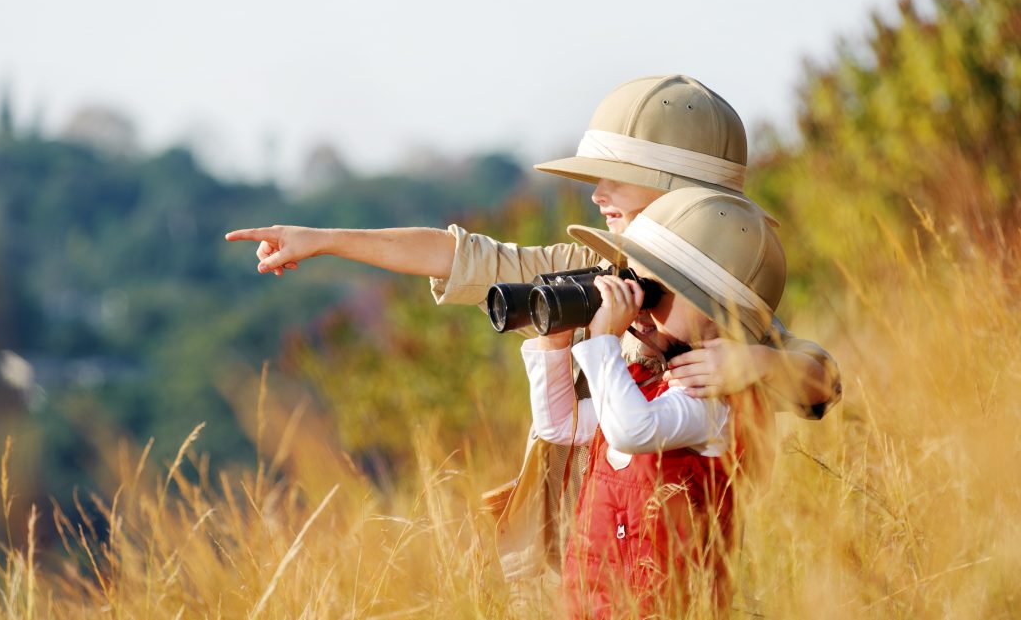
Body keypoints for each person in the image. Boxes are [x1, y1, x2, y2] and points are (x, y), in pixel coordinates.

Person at [224, 75, 841, 589]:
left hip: (662, 574)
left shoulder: (719, 307)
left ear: (679, 191)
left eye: (615, 176)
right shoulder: (601, 273)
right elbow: (463, 256)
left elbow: (819, 377)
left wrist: (759, 365)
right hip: (565, 558)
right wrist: (326, 240)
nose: (596, 194)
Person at [524, 185, 785, 617]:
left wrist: (604, 338)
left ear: (716, 312)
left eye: (655, 293)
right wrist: (554, 344)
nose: (640, 308)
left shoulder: (711, 398)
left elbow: (632, 430)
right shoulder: (647, 383)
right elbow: (560, 425)